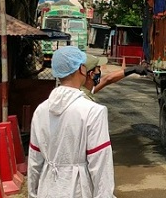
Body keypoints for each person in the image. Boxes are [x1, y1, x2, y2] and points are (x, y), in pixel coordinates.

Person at [28, 46, 115, 197]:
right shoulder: (93, 111)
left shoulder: (41, 110)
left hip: (46, 189)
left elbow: (35, 161)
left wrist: (32, 194)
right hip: (77, 190)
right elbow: (100, 164)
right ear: (82, 69)